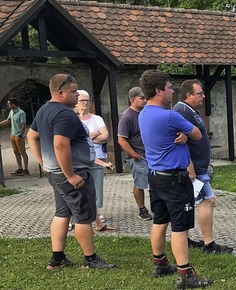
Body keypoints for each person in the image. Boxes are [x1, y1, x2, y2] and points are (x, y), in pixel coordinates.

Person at [27, 73, 116, 269]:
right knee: (83, 215)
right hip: (72, 173)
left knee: (62, 213)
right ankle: (90, 259)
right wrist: (71, 175)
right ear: (60, 93)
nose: (77, 95)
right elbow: (60, 145)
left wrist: (43, 162)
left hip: (55, 173)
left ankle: (57, 259)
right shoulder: (64, 114)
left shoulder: (43, 110)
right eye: (73, 91)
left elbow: (31, 136)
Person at [138, 70, 212, 288]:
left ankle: (159, 262)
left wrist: (180, 135)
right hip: (174, 179)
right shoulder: (170, 115)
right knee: (180, 226)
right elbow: (198, 134)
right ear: (159, 90)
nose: (172, 92)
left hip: (155, 177)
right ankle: (185, 273)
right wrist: (186, 134)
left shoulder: (143, 113)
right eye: (170, 88)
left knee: (160, 220)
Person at [173, 79, 233, 254]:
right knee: (207, 201)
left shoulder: (188, 110)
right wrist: (190, 166)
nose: (203, 96)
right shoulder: (182, 110)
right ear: (188, 95)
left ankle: (185, 239)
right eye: (199, 93)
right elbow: (178, 142)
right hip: (194, 170)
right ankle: (209, 245)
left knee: (188, 205)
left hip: (198, 168)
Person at [75, 90, 116, 233]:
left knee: (95, 188)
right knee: (80, 189)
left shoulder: (97, 118)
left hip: (98, 157)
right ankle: (83, 217)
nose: (85, 103)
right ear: (76, 102)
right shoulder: (73, 118)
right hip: (80, 159)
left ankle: (96, 217)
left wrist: (87, 138)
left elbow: (105, 136)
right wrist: (92, 135)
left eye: (87, 100)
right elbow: (76, 139)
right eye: (82, 100)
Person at [117, 87, 153, 221]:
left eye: (145, 98)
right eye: (141, 98)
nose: (145, 100)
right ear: (133, 100)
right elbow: (121, 139)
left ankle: (157, 206)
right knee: (140, 184)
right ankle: (142, 209)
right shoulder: (127, 117)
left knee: (154, 182)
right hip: (138, 156)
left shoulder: (146, 113)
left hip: (151, 154)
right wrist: (134, 155)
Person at [0, 98, 29, 176]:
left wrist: (20, 134)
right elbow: (8, 120)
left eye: (9, 104)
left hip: (19, 136)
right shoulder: (11, 112)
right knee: (16, 152)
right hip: (12, 135)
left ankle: (26, 169)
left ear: (13, 104)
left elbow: (24, 125)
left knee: (22, 152)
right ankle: (20, 168)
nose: (8, 105)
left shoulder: (21, 113)